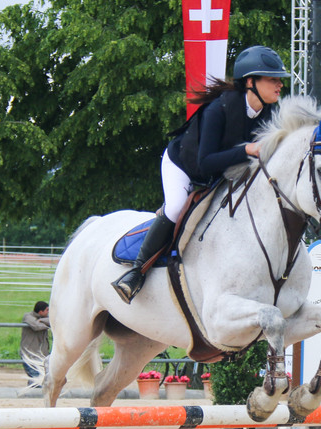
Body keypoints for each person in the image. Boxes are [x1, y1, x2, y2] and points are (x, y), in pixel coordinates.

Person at [112, 45, 289, 303]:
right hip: (184, 165)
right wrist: (247, 150)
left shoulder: (271, 113)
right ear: (250, 82)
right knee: (175, 207)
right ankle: (136, 273)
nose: (280, 84)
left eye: (279, 79)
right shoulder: (219, 109)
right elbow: (205, 163)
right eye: (273, 79)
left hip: (221, 174)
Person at [21, 301, 50, 382]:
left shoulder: (42, 318)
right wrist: (47, 325)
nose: (48, 312)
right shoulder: (28, 316)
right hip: (30, 355)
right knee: (36, 380)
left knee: (41, 380)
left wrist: (41, 320)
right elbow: (37, 326)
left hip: (41, 355)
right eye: (47, 310)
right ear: (40, 312)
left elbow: (54, 320)